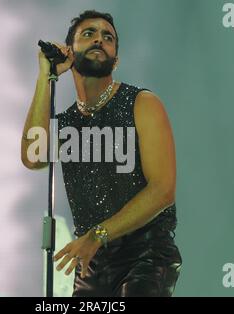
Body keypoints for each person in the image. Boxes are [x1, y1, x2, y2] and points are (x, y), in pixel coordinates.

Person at [21, 10, 182, 297]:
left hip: (145, 255)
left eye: (108, 37)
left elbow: (163, 190)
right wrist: (45, 76)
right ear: (69, 53)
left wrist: (98, 235)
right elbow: (33, 157)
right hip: (91, 265)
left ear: (115, 60)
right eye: (89, 34)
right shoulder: (68, 123)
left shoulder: (142, 103)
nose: (99, 39)